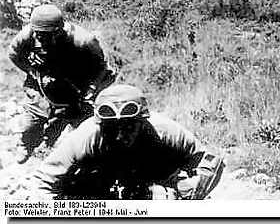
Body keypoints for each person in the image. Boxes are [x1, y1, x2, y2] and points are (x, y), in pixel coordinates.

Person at [31, 84, 225, 200]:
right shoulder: (87, 136)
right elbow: (43, 180)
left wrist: (186, 193)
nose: (120, 135)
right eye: (111, 129)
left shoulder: (165, 131)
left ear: (143, 121)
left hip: (150, 185)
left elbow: (211, 162)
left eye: (129, 126)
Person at [7, 4, 116, 163]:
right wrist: (31, 70)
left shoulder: (83, 41)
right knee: (32, 121)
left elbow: (103, 68)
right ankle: (26, 144)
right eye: (38, 34)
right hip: (43, 85)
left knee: (84, 126)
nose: (39, 39)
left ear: (58, 31)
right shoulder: (29, 34)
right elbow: (13, 53)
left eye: (45, 35)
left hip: (76, 88)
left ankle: (86, 157)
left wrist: (92, 89)